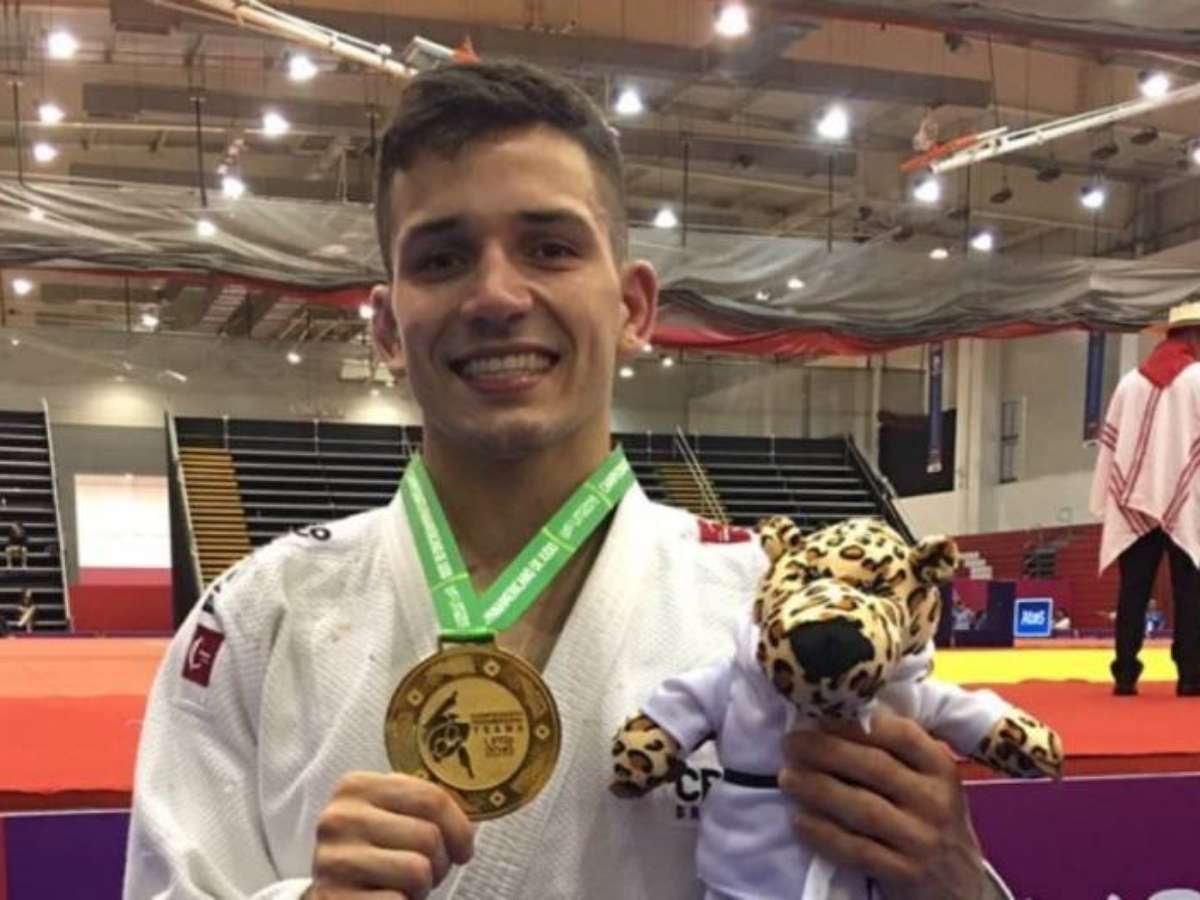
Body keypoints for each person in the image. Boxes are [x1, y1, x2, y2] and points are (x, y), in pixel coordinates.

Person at [124, 60, 1005, 900]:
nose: (497, 296)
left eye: (549, 248)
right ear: (387, 329)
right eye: (441, 259)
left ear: (633, 308)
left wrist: (953, 882)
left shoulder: (775, 614)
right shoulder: (258, 620)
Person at [1091, 301, 1200, 697]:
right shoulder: (1198, 379)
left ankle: (1125, 674)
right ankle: (1191, 676)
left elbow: (1111, 445)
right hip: (1186, 500)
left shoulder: (1129, 383)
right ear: (1194, 337)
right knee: (1190, 591)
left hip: (1133, 499)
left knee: (1133, 589)